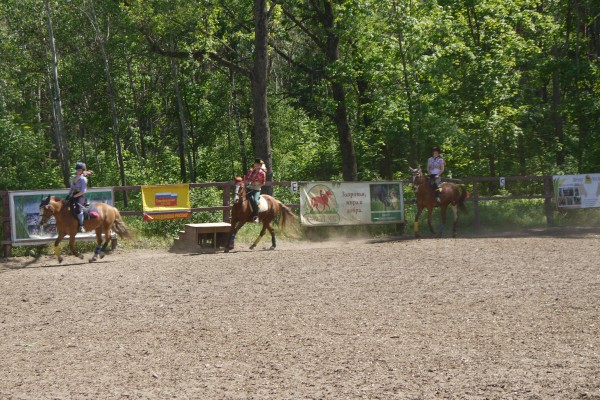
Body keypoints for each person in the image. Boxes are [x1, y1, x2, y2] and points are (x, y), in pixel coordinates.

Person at [67, 162, 91, 232]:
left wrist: (74, 196)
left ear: (82, 171)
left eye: (79, 170)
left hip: (80, 196)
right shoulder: (73, 178)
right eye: (77, 170)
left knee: (78, 209)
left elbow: (83, 191)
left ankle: (81, 225)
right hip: (73, 195)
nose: (78, 171)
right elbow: (72, 188)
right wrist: (69, 195)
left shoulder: (83, 179)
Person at [244, 158, 267, 223]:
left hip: (256, 190)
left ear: (260, 166)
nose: (257, 165)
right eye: (256, 164)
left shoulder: (262, 173)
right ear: (254, 164)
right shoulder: (251, 171)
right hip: (249, 188)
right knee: (240, 197)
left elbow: (263, 183)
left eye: (258, 164)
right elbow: (247, 179)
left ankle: (256, 216)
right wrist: (247, 182)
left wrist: (256, 185)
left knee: (255, 200)